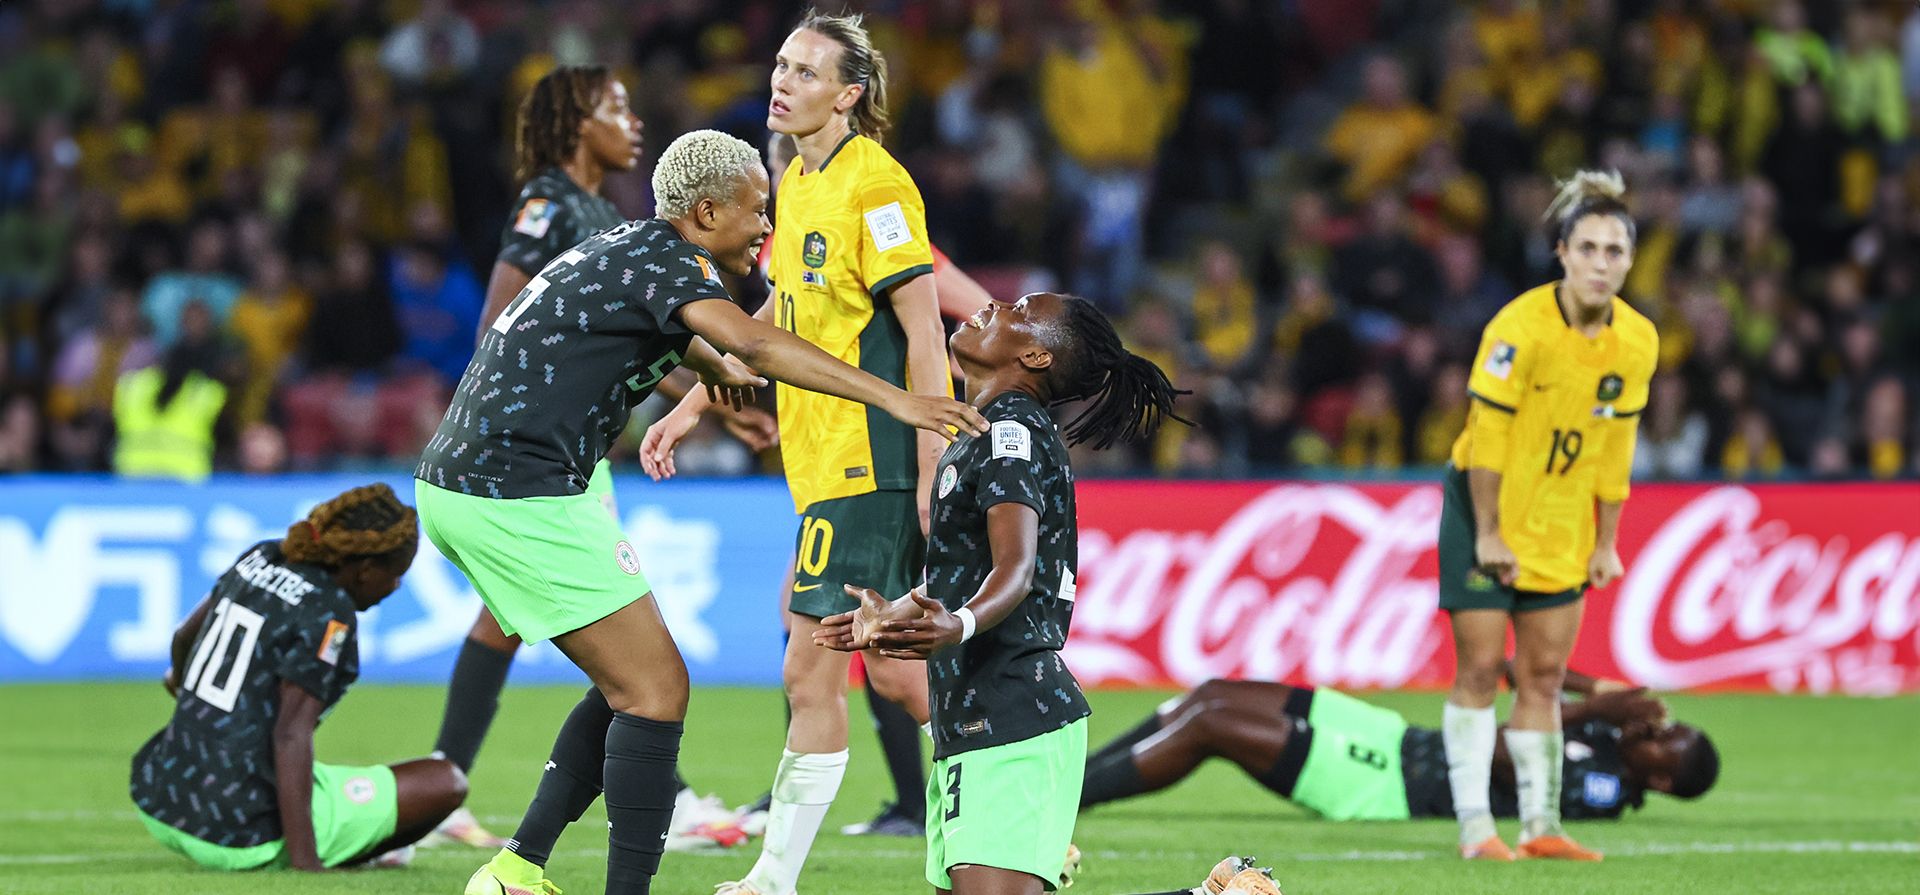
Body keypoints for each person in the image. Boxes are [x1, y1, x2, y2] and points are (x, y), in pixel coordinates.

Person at [417, 128, 985, 895]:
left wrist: (715, 402)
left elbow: (703, 349)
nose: (766, 227)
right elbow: (754, 343)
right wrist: (900, 400)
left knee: (625, 682)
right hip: (518, 489)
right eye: (757, 210)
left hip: (477, 480)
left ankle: (516, 869)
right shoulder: (670, 263)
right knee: (658, 692)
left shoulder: (632, 249)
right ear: (708, 210)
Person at [642, 13, 958, 893]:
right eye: (781, 65)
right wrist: (698, 404)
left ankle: (773, 878)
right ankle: (1016, 808)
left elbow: (924, 322)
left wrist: (931, 458)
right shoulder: (798, 180)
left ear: (849, 94)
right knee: (897, 675)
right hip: (819, 463)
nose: (782, 82)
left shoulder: (878, 187)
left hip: (872, 459)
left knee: (807, 664)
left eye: (806, 71)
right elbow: (780, 323)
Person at [425, 63, 753, 850]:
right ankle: (465, 785)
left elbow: (626, 328)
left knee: (606, 647)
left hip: (566, 447)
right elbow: (505, 317)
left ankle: (464, 797)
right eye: (615, 108)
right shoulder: (550, 203)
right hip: (531, 451)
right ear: (576, 122)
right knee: (632, 659)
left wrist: (698, 379)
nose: (633, 122)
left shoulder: (609, 214)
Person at [816, 291, 1196, 895]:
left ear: (1036, 358)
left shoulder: (1010, 432)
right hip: (969, 712)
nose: (994, 305)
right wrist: (892, 616)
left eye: (1019, 312)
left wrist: (959, 626)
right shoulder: (983, 432)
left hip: (1012, 712)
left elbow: (1015, 569)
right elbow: (967, 572)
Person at [1439, 170, 1659, 862]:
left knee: (1543, 676)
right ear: (1562, 252)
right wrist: (1490, 532)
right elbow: (1489, 436)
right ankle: (1478, 830)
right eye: (1588, 248)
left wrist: (1608, 539)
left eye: (1614, 251)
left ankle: (1541, 825)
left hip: (1563, 518)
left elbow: (1615, 445)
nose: (1601, 264)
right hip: (1484, 508)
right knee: (1479, 667)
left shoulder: (1639, 340)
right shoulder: (1519, 327)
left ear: (1629, 259)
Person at [130, 484, 466, 872]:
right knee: (445, 781)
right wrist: (307, 864)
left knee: (318, 772)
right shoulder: (330, 615)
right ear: (366, 570)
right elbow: (290, 735)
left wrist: (188, 695)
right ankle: (336, 852)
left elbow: (183, 636)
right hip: (239, 834)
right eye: (395, 576)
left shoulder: (263, 556)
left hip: (161, 797)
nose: (396, 586)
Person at [1080, 670, 1719, 826]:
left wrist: (1595, 709)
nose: (1654, 735)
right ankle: (1072, 782)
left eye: (1664, 745)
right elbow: (1520, 671)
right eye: (1667, 726)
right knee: (1212, 692)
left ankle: (1069, 799)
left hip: (1387, 785)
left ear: (1659, 783)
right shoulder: (1609, 739)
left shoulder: (1600, 792)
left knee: (1212, 724)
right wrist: (1597, 690)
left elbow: (1498, 749)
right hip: (1394, 737)